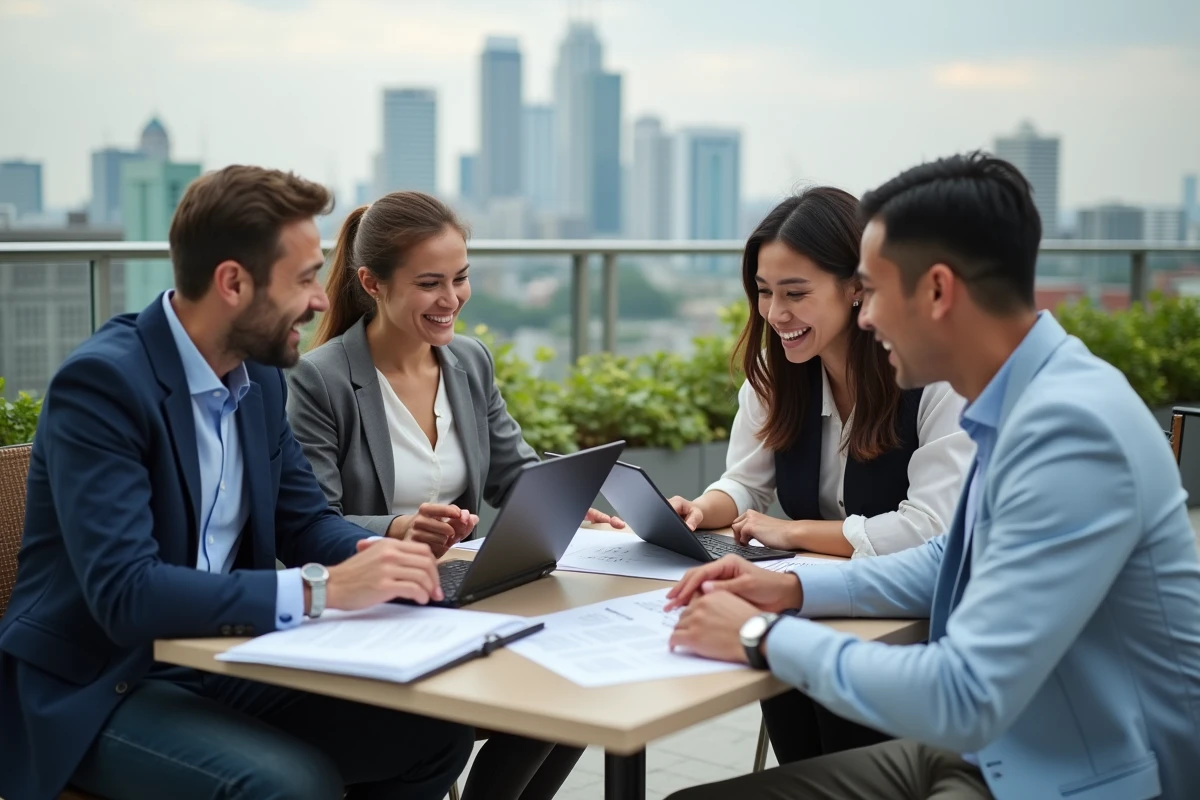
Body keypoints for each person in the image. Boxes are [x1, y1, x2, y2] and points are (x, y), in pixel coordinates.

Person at [661, 153, 1200, 800]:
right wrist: (791, 589)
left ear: (939, 291)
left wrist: (759, 636)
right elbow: (949, 558)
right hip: (993, 751)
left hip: (1070, 776)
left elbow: (966, 694)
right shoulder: (1026, 396)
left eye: (876, 291)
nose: (866, 317)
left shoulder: (1071, 430)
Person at [0, 165, 473, 800]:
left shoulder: (259, 377)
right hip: (101, 685)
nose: (321, 300)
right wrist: (322, 589)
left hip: (218, 656)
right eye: (304, 279)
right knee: (291, 784)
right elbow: (125, 595)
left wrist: (382, 559)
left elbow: (303, 521)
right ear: (232, 283)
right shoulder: (104, 387)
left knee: (433, 731)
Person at [286, 190, 616, 800]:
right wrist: (395, 529)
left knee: (574, 690)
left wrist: (571, 507)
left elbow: (512, 474)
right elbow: (312, 520)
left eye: (460, 279)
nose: (451, 300)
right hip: (377, 607)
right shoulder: (323, 379)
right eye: (430, 283)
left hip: (457, 591)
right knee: (534, 693)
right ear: (373, 283)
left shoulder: (468, 360)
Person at [668, 187, 974, 763]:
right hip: (818, 603)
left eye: (796, 293)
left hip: (912, 626)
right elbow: (747, 482)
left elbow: (933, 532)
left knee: (834, 731)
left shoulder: (933, 377)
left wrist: (795, 532)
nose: (774, 314)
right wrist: (703, 509)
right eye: (763, 292)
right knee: (791, 708)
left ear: (857, 286)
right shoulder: (778, 374)